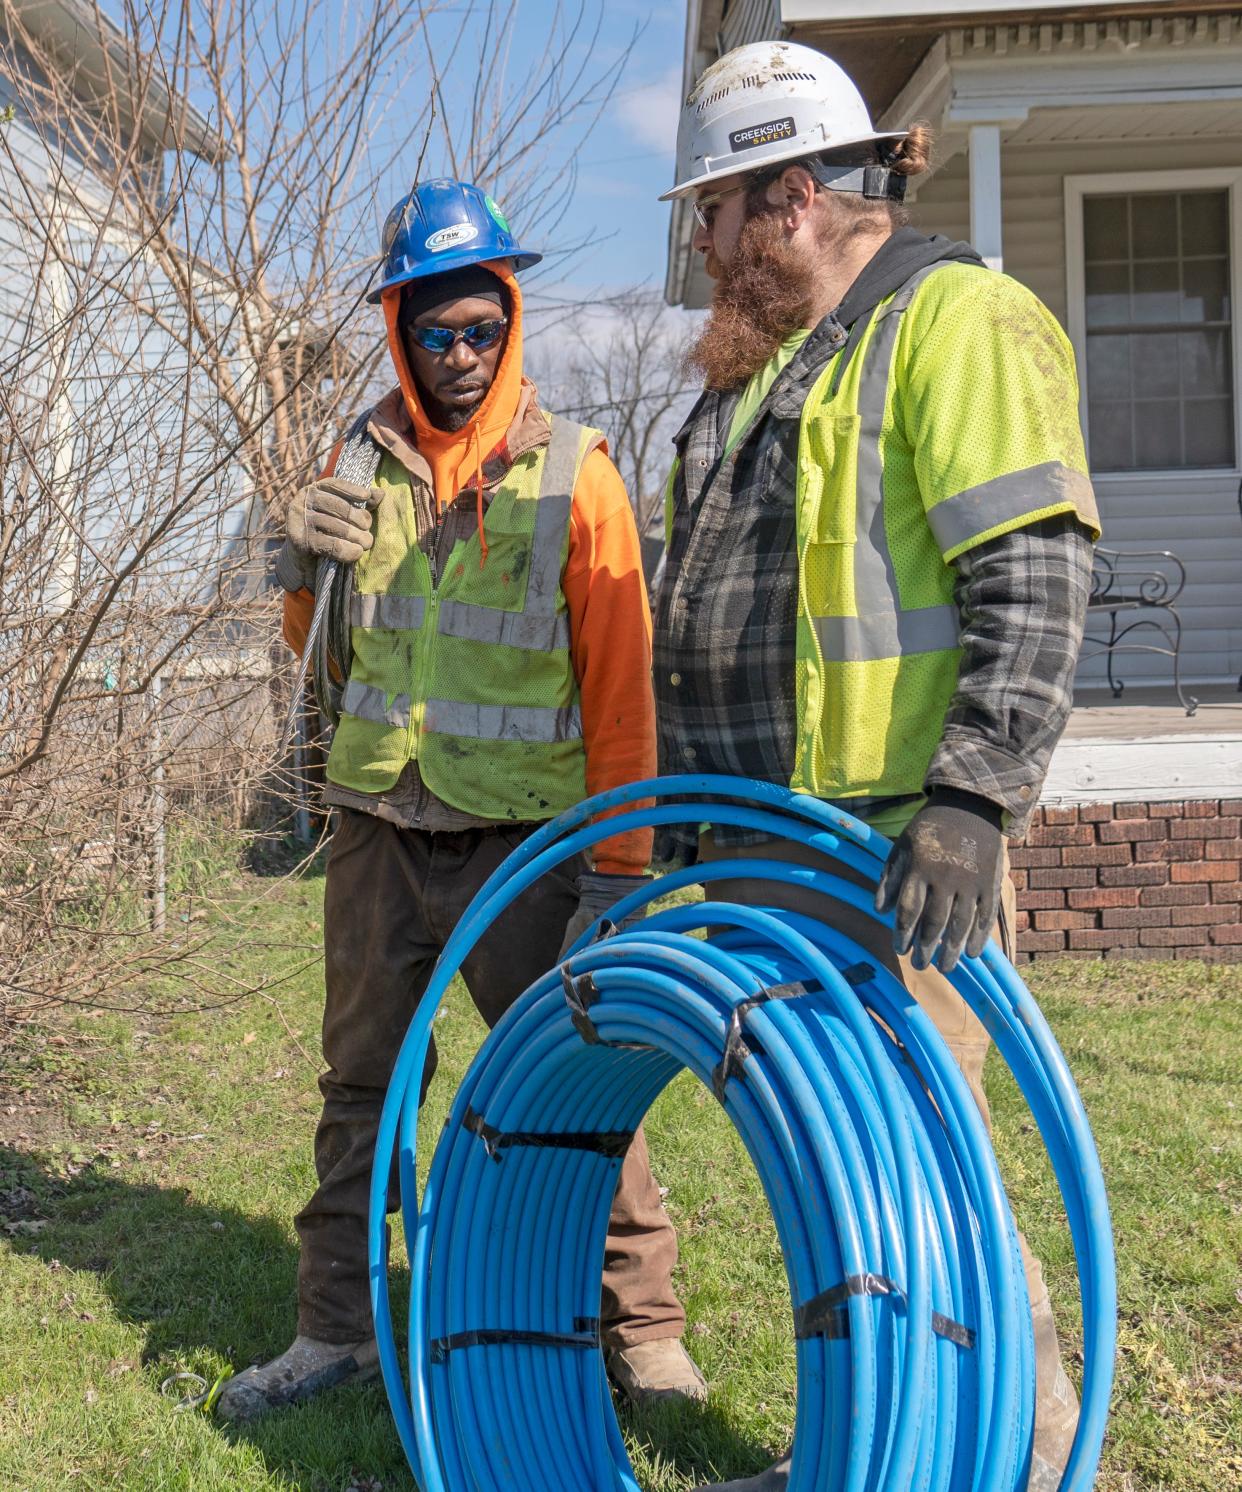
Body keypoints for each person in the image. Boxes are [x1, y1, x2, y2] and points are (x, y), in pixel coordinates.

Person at [654, 42, 1100, 1492]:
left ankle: (1021, 1461)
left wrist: (973, 802)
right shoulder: (781, 359)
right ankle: (854, 1450)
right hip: (771, 845)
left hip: (895, 855)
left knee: (929, 1179)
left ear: (785, 197)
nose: (704, 249)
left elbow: (1029, 577)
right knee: (826, 1177)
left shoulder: (952, 322)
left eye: (713, 217)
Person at [216, 178, 704, 1420]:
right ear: (400, 329)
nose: (460, 355)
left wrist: (622, 869)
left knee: (581, 1077)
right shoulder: (355, 468)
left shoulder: (579, 477)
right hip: (383, 830)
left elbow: (623, 695)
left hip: (528, 844)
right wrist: (295, 565)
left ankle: (642, 1332)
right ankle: (336, 1327)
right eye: (434, 331)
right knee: (361, 1087)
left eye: (481, 325)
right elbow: (319, 658)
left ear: (512, 318)